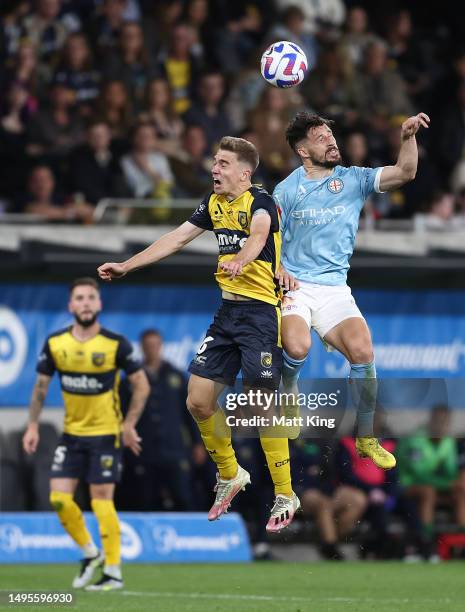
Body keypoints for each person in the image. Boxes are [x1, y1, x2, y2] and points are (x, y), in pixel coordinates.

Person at [98, 136, 300, 532]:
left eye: (223, 163)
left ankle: (285, 491)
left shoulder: (260, 202)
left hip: (260, 316)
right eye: (214, 162)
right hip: (227, 314)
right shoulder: (212, 204)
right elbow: (175, 238)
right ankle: (231, 473)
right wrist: (127, 265)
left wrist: (244, 256)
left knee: (260, 407)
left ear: (245, 172)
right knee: (197, 400)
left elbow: (259, 234)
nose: (215, 169)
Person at [273, 110, 430, 466]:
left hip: (334, 289)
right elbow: (268, 235)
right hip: (295, 286)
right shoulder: (287, 189)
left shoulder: (354, 179)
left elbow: (406, 172)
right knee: (297, 347)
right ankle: (288, 390)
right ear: (302, 151)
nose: (331, 141)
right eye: (320, 138)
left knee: (363, 353)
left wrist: (407, 138)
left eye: (330, 135)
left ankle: (365, 437)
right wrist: (279, 267)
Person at [22, 277, 150, 591]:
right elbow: (40, 388)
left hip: (106, 435)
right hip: (72, 435)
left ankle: (113, 571)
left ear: (99, 304)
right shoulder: (55, 343)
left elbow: (142, 385)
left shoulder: (115, 343)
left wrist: (129, 424)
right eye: (79, 298)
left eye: (91, 297)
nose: (85, 303)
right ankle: (90, 552)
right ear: (71, 305)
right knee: (59, 499)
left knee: (101, 501)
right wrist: (33, 425)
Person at [119, 329, 206, 511]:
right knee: (145, 499)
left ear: (161, 346)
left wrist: (198, 443)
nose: (152, 349)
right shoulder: (130, 380)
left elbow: (190, 413)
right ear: (142, 348)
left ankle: (185, 536)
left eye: (155, 345)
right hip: (143, 450)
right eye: (148, 346)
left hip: (174, 450)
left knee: (183, 496)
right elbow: (121, 414)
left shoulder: (176, 376)